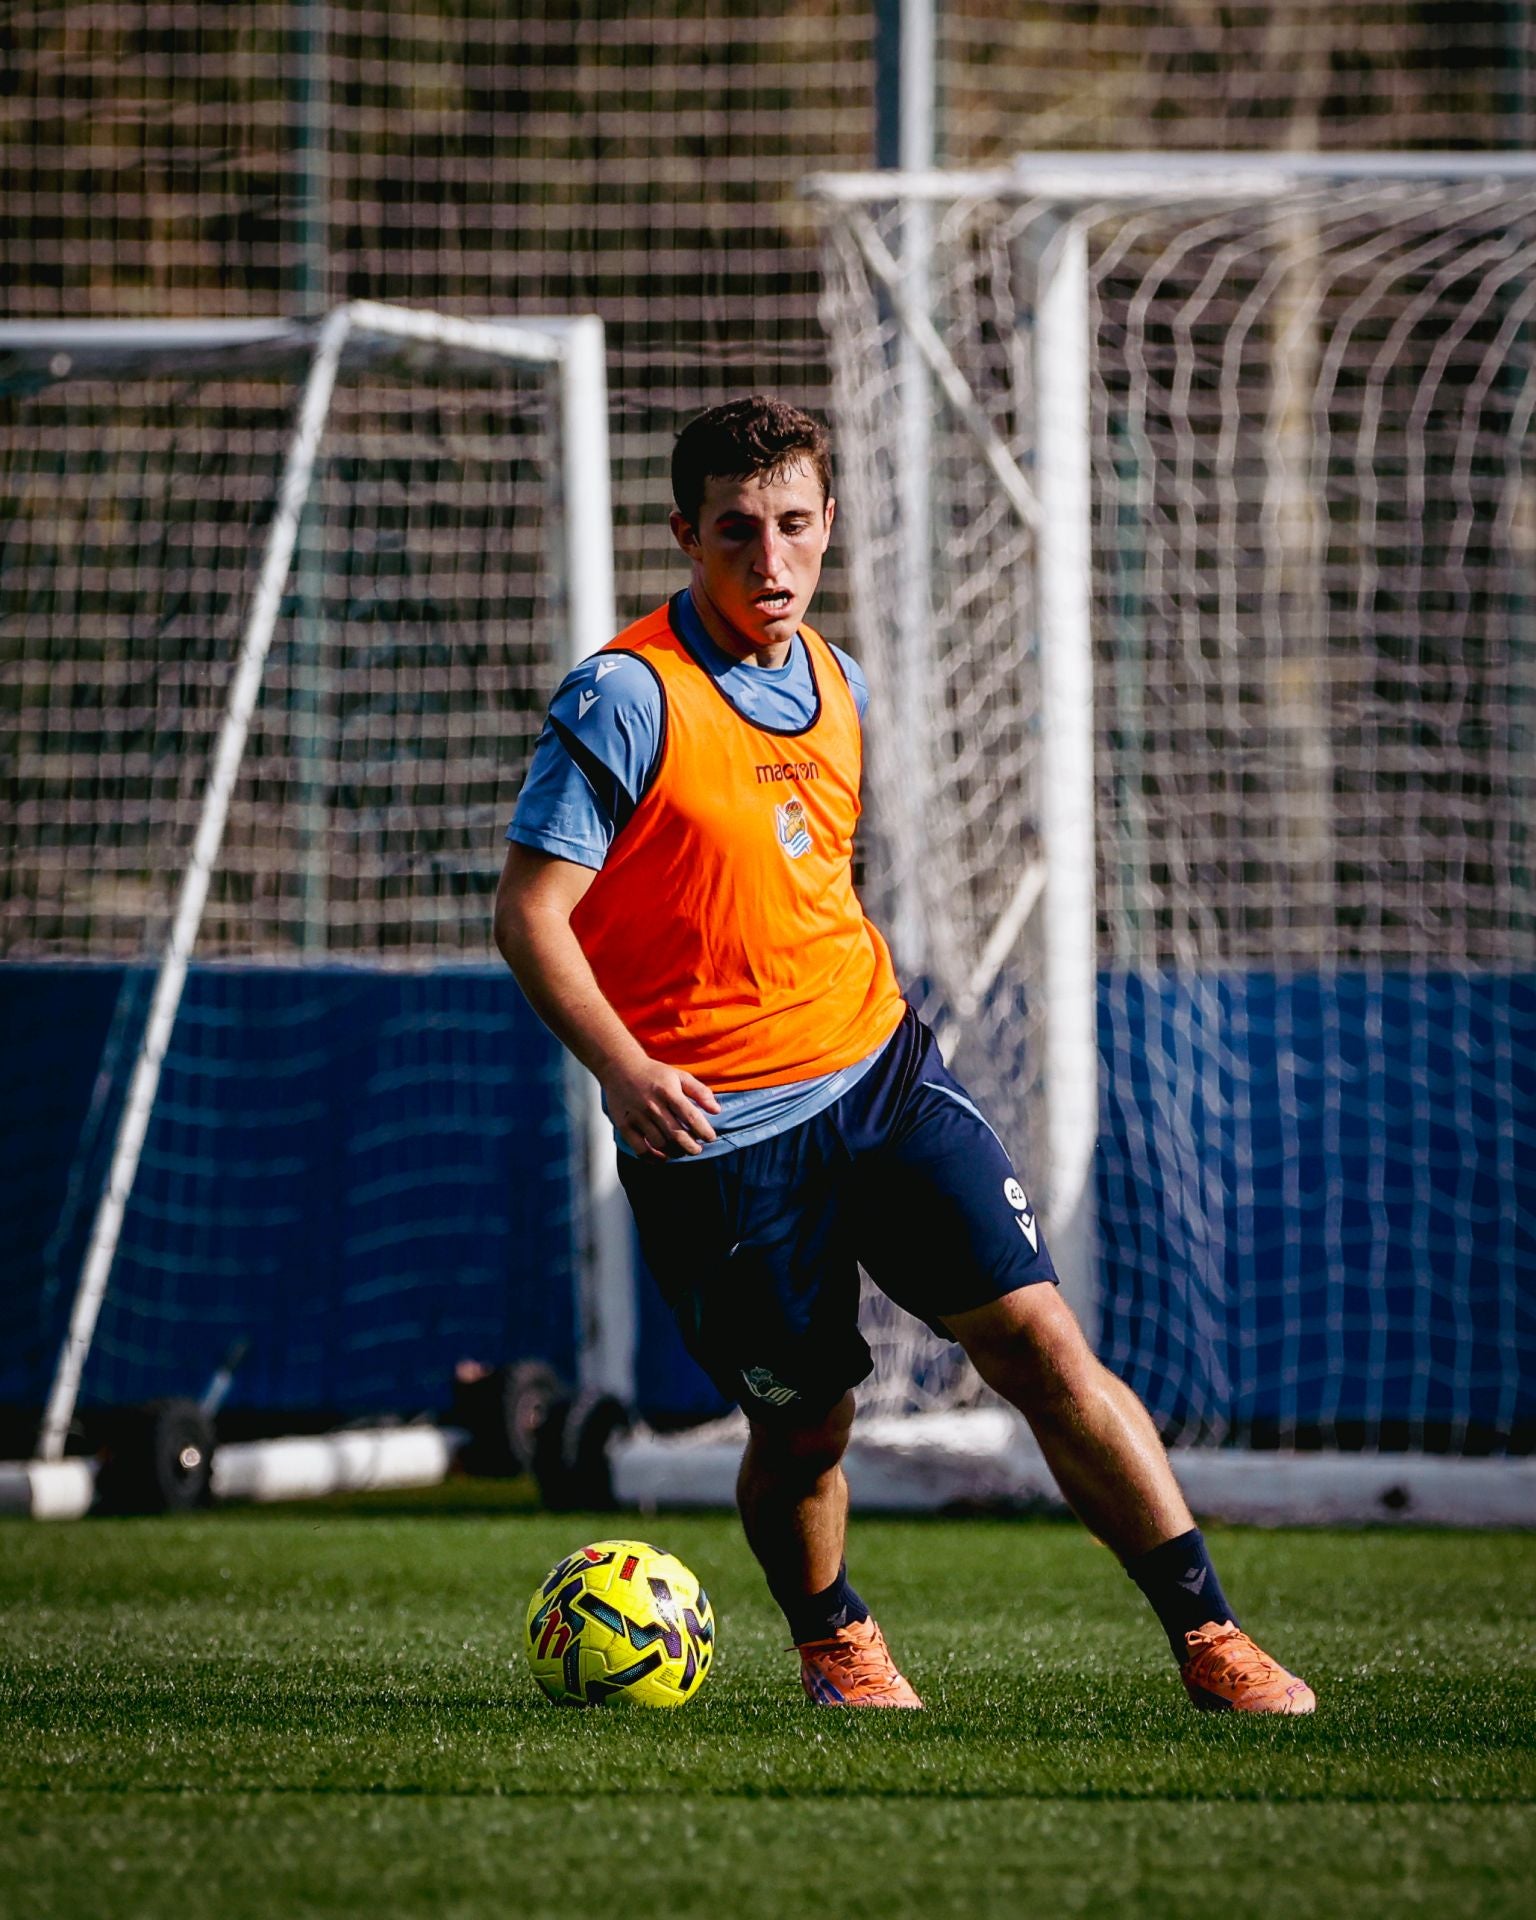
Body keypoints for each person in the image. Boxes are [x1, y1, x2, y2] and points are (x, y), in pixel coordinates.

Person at [494, 394, 1314, 1715]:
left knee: (1044, 1345)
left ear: (830, 527)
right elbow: (529, 913)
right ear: (683, 535)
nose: (772, 561)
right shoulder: (627, 693)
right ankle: (834, 1637)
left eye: (797, 527)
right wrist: (624, 1068)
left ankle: (1213, 1638)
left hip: (880, 1075)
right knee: (807, 1427)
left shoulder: (840, 682)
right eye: (738, 532)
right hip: (720, 1139)